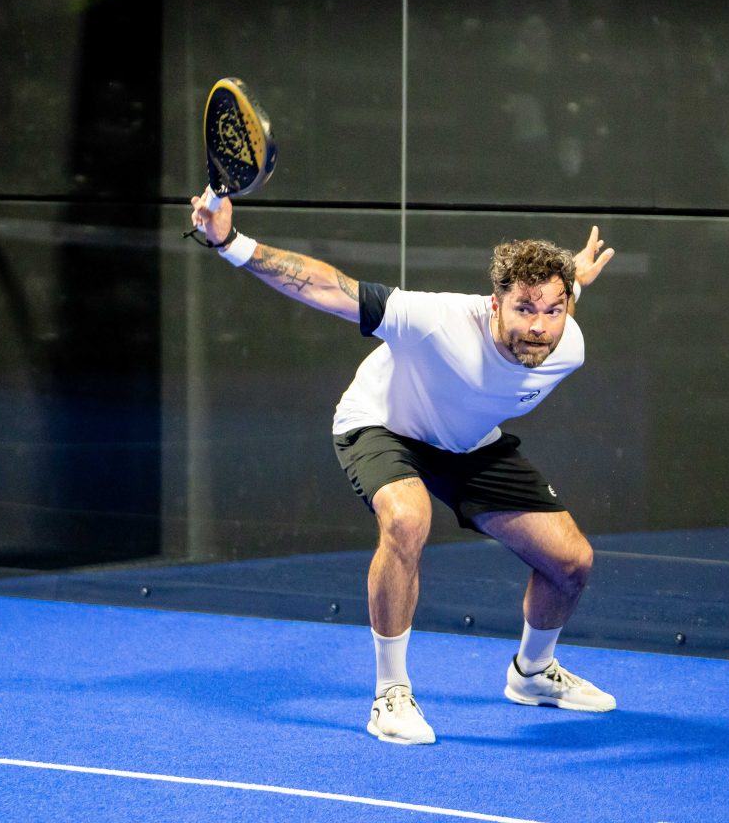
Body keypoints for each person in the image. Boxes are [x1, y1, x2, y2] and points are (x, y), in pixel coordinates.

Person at [189, 195, 616, 745]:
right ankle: (391, 693)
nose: (539, 326)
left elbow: (553, 305)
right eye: (524, 310)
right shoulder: (437, 320)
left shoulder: (567, 345)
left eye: (553, 311)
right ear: (494, 305)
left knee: (571, 561)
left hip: (465, 442)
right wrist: (230, 244)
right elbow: (330, 288)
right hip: (382, 423)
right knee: (408, 518)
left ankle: (532, 674)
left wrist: (570, 284)